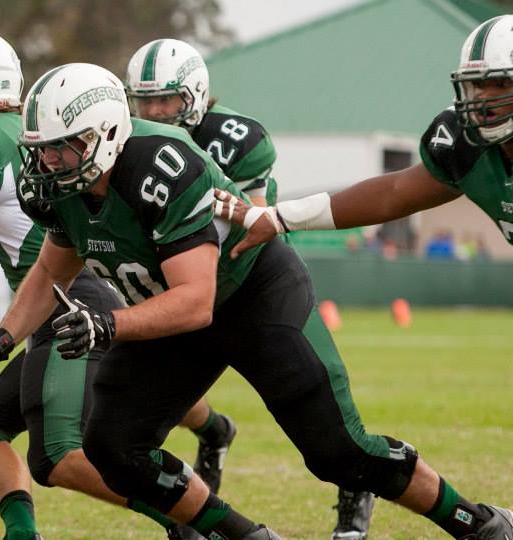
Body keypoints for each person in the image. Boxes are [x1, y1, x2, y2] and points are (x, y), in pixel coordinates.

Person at [0, 62, 513, 539]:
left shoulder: (159, 166)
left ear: (108, 134)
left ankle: (474, 522)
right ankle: (244, 535)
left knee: (339, 451)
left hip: (250, 295)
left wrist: (108, 325)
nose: (49, 164)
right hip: (169, 312)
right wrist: (0, 341)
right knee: (113, 447)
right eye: (41, 151)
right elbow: (52, 264)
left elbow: (197, 302)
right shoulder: (54, 184)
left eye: (64, 149)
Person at [0, 32, 199, 540]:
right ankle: (22, 532)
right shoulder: (31, 125)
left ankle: (189, 517)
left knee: (58, 454)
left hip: (67, 303)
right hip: (73, 295)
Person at [125, 38, 376, 539]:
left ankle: (357, 482)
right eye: (145, 100)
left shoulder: (237, 138)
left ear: (194, 96)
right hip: (176, 282)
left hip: (249, 281)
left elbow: (248, 224)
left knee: (321, 421)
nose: (153, 111)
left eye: (166, 100)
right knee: (142, 411)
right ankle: (193, 496)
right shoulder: (128, 141)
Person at [214, 14, 513, 261]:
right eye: (477, 85)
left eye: (500, 83)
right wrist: (279, 217)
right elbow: (393, 193)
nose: (484, 99)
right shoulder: (465, 145)